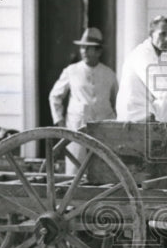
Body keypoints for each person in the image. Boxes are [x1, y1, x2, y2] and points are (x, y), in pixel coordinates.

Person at [48, 27, 119, 174]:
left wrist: (115, 126)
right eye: (82, 47)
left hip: (103, 129)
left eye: (89, 48)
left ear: (99, 51)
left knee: (104, 170)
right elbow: (55, 96)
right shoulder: (71, 71)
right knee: (75, 170)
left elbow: (117, 102)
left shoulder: (109, 74)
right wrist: (60, 123)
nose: (84, 51)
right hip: (76, 127)